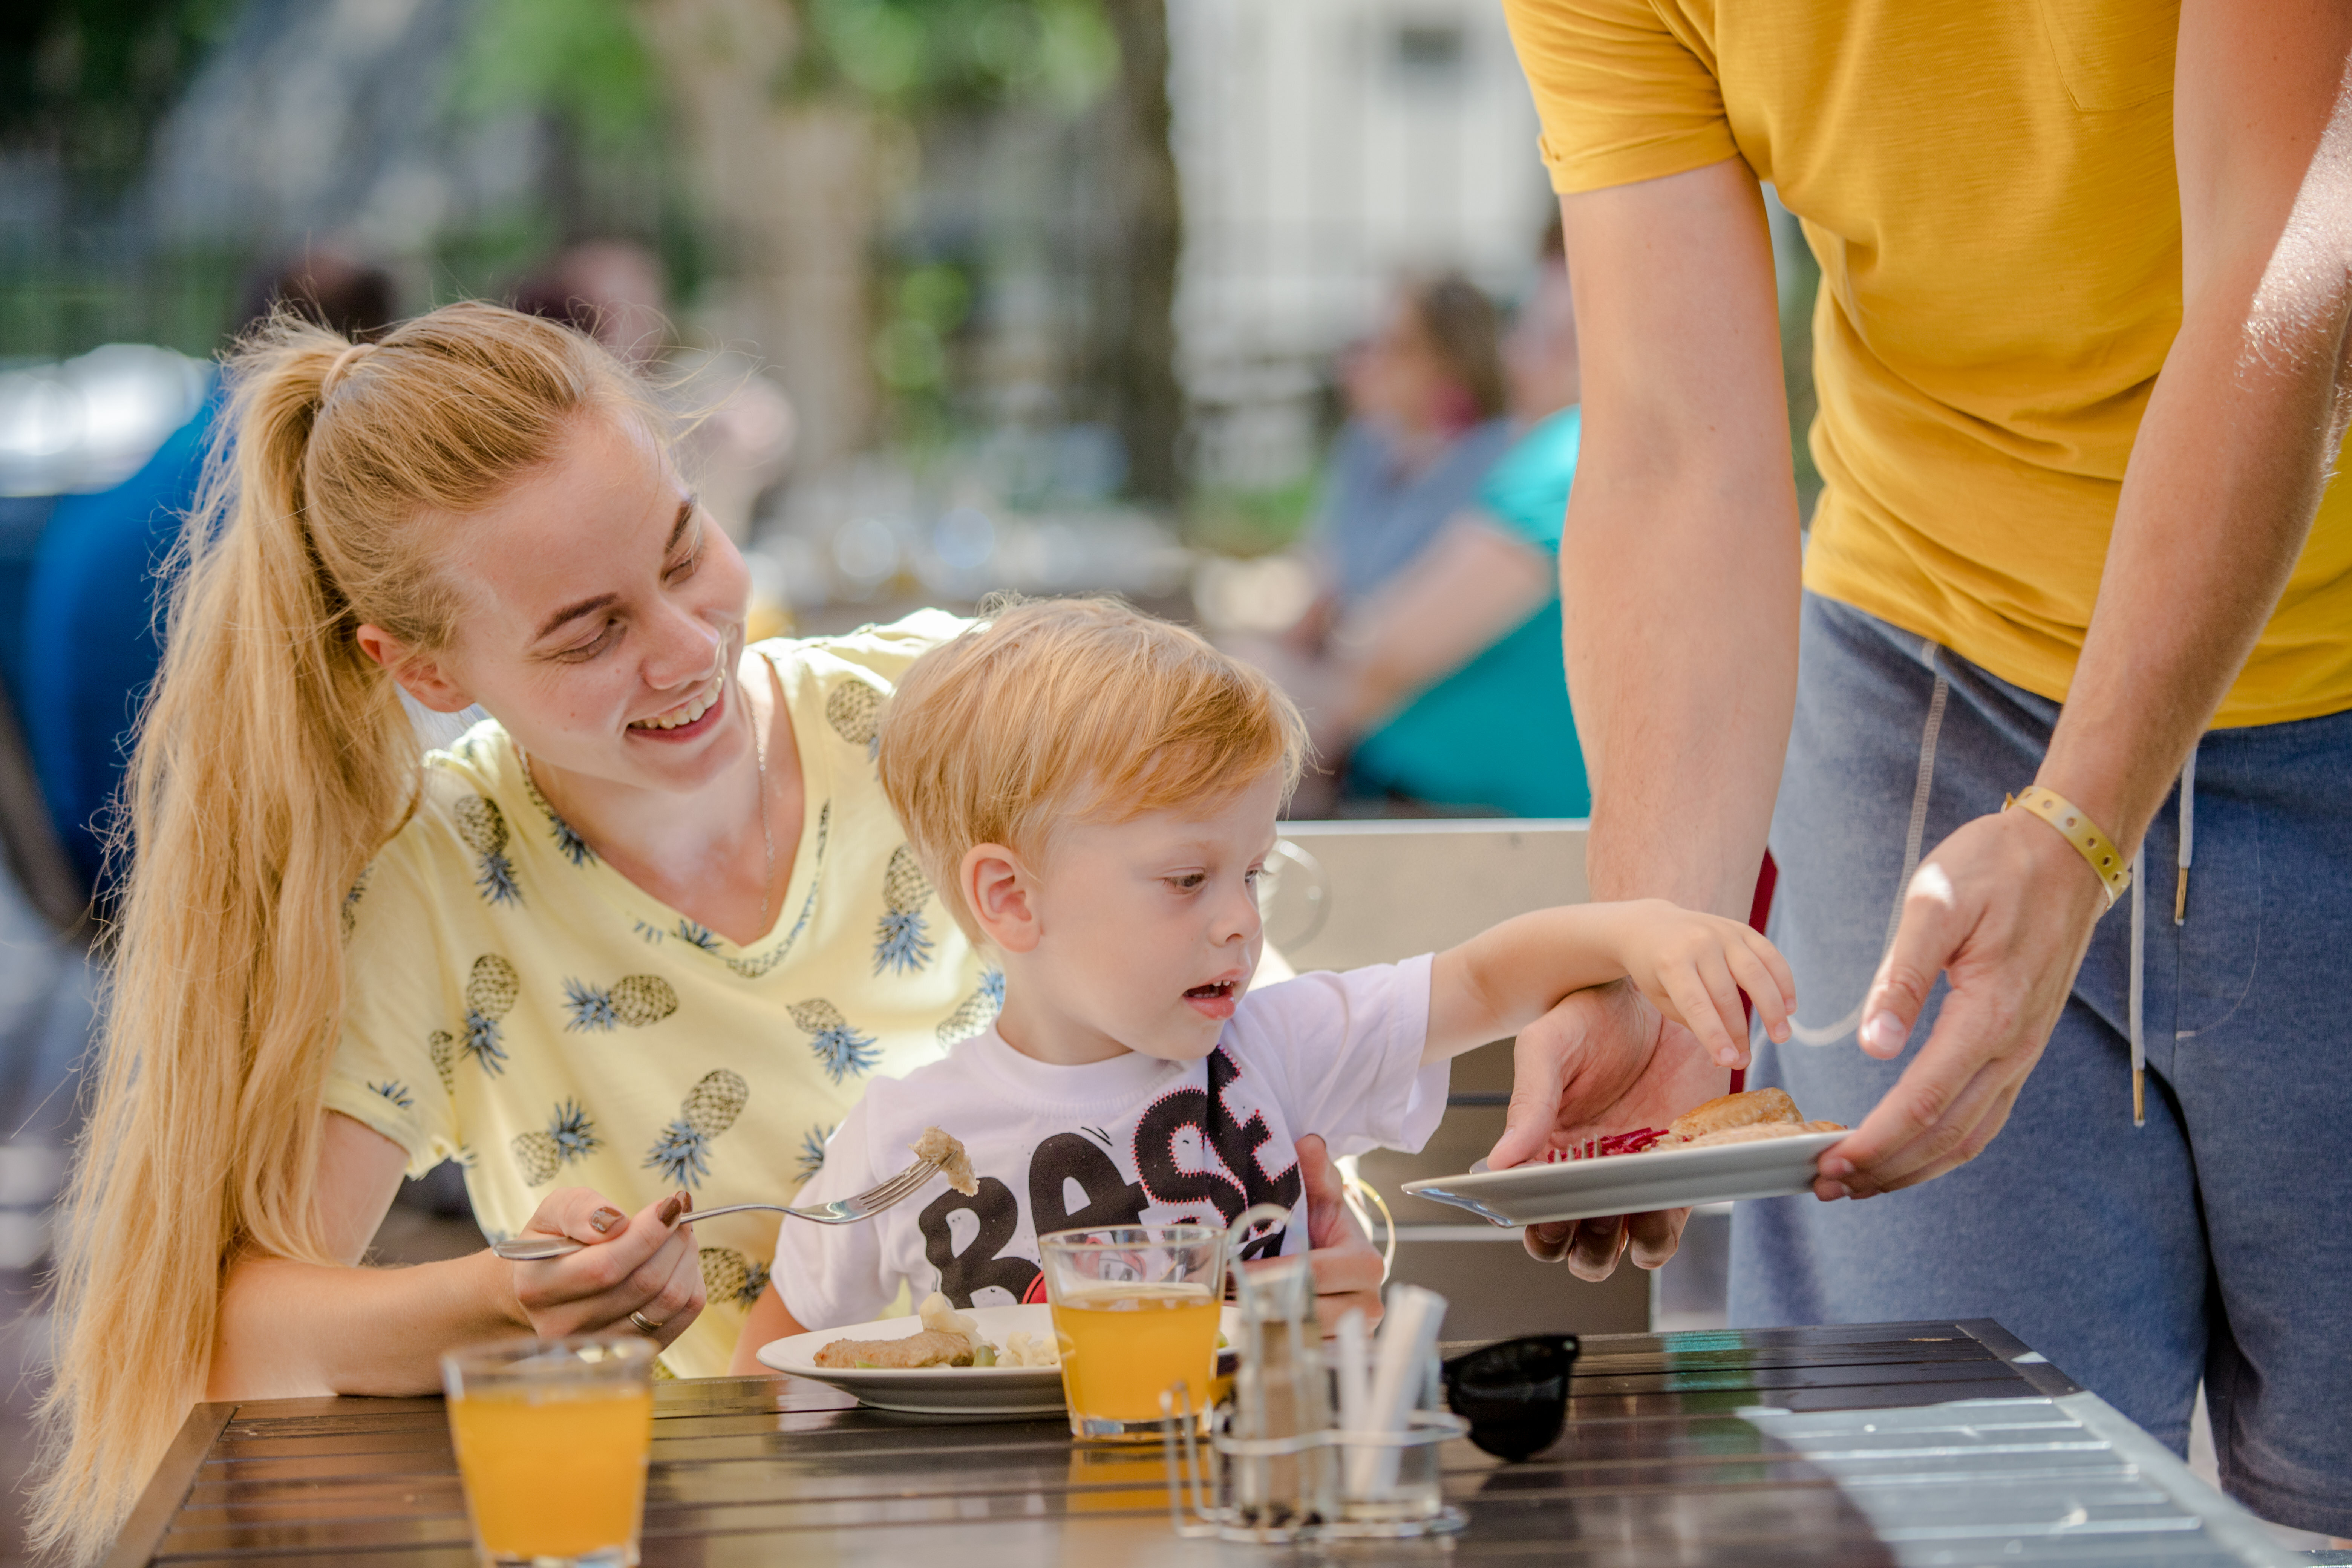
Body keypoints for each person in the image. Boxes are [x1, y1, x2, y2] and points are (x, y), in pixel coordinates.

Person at [28, 304, 1380, 1559]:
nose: (685, 647)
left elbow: (1246, 1036)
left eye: (684, 550)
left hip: (1148, 1477)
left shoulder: (941, 713)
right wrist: (510, 1298)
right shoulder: (434, 887)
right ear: (426, 670)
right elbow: (239, 1336)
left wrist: (1316, 1233)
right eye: (588, 632)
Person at [1492, 0, 2352, 1535]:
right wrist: (1652, 943)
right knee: (1937, 1503)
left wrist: (2081, 824)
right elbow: (1676, 439)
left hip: (2329, 674)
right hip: (1932, 681)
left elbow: (2287, 270)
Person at [733, 598, 1795, 1356]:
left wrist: (1639, 934)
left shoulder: (1271, 1051)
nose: (1241, 921)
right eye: (1188, 878)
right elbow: (779, 1362)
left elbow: (1478, 982)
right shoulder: (904, 1142)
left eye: (1253, 872)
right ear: (1011, 897)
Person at [20, 248, 395, 908]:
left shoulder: (139, 486)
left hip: (98, 874)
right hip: (201, 895)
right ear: (369, 355)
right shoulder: (293, 504)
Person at [1317, 240, 1589, 817]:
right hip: (1489, 818)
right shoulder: (1564, 459)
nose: (1513, 356)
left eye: (1541, 338)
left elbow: (1386, 658)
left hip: (1469, 822)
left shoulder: (1567, 461)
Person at [1295, 276, 1516, 640]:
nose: (1371, 361)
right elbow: (1323, 586)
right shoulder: (1365, 447)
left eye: (1396, 347)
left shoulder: (1495, 458)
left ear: (1452, 362)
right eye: (1368, 343)